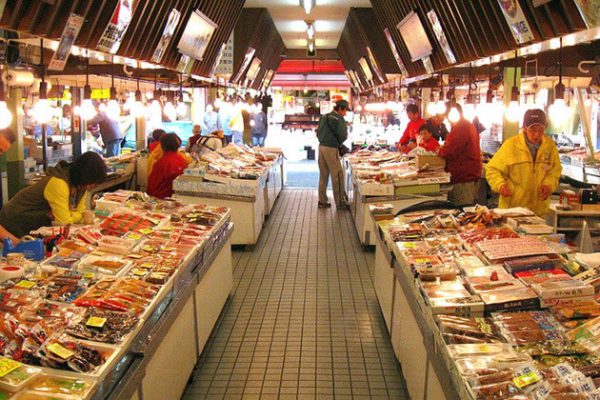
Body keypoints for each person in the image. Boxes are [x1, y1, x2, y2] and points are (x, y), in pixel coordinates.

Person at [0, 152, 107, 238]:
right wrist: (73, 215)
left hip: (35, 223)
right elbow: (64, 222)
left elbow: (80, 213)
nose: (93, 186)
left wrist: (70, 215)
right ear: (85, 174)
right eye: (93, 181)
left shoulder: (81, 187)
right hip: (15, 219)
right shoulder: (59, 183)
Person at [486, 109, 561, 217]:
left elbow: (554, 172)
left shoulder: (550, 146)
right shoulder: (511, 145)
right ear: (525, 128)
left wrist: (548, 185)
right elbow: (492, 169)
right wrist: (500, 185)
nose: (537, 135)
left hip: (539, 212)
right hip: (512, 211)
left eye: (541, 130)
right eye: (533, 130)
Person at [437, 104, 482, 206]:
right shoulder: (465, 124)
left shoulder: (461, 127)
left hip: (464, 176)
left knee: (462, 210)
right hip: (468, 175)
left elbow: (450, 150)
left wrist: (439, 151)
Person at [317, 99, 350, 209]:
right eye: (345, 111)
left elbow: (317, 133)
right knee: (337, 175)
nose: (345, 113)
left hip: (321, 147)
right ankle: (340, 202)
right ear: (340, 109)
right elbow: (343, 135)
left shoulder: (324, 117)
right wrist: (338, 143)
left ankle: (322, 201)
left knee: (323, 175)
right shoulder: (339, 119)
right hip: (331, 149)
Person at [147, 133, 190, 199]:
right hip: (175, 196)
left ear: (162, 145)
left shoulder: (161, 162)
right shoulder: (181, 159)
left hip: (161, 198)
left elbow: (152, 186)